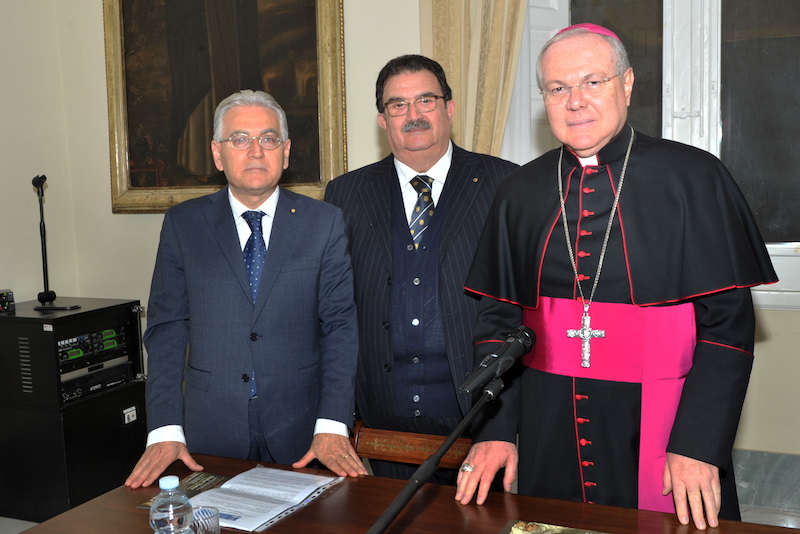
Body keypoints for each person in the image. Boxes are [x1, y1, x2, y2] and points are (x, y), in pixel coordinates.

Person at [453, 24, 777, 530]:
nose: (575, 101)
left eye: (592, 82)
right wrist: (494, 430)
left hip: (661, 426)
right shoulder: (519, 191)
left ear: (626, 84)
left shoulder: (694, 178)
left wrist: (697, 443)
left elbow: (727, 332)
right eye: (558, 88)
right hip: (548, 428)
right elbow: (497, 323)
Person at [126, 90, 366, 489]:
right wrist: (165, 428)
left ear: (285, 152)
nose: (256, 151)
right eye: (240, 139)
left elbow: (340, 328)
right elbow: (167, 330)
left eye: (268, 139)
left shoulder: (323, 223)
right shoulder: (184, 225)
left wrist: (332, 424)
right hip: (209, 431)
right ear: (217, 154)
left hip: (303, 430)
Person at [324, 55, 518, 482]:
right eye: (398, 104)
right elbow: (331, 311)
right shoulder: (345, 194)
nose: (413, 115)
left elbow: (521, 311)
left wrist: (503, 427)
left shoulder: (505, 184)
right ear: (382, 119)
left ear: (449, 108)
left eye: (426, 100)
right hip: (378, 426)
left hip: (479, 419)